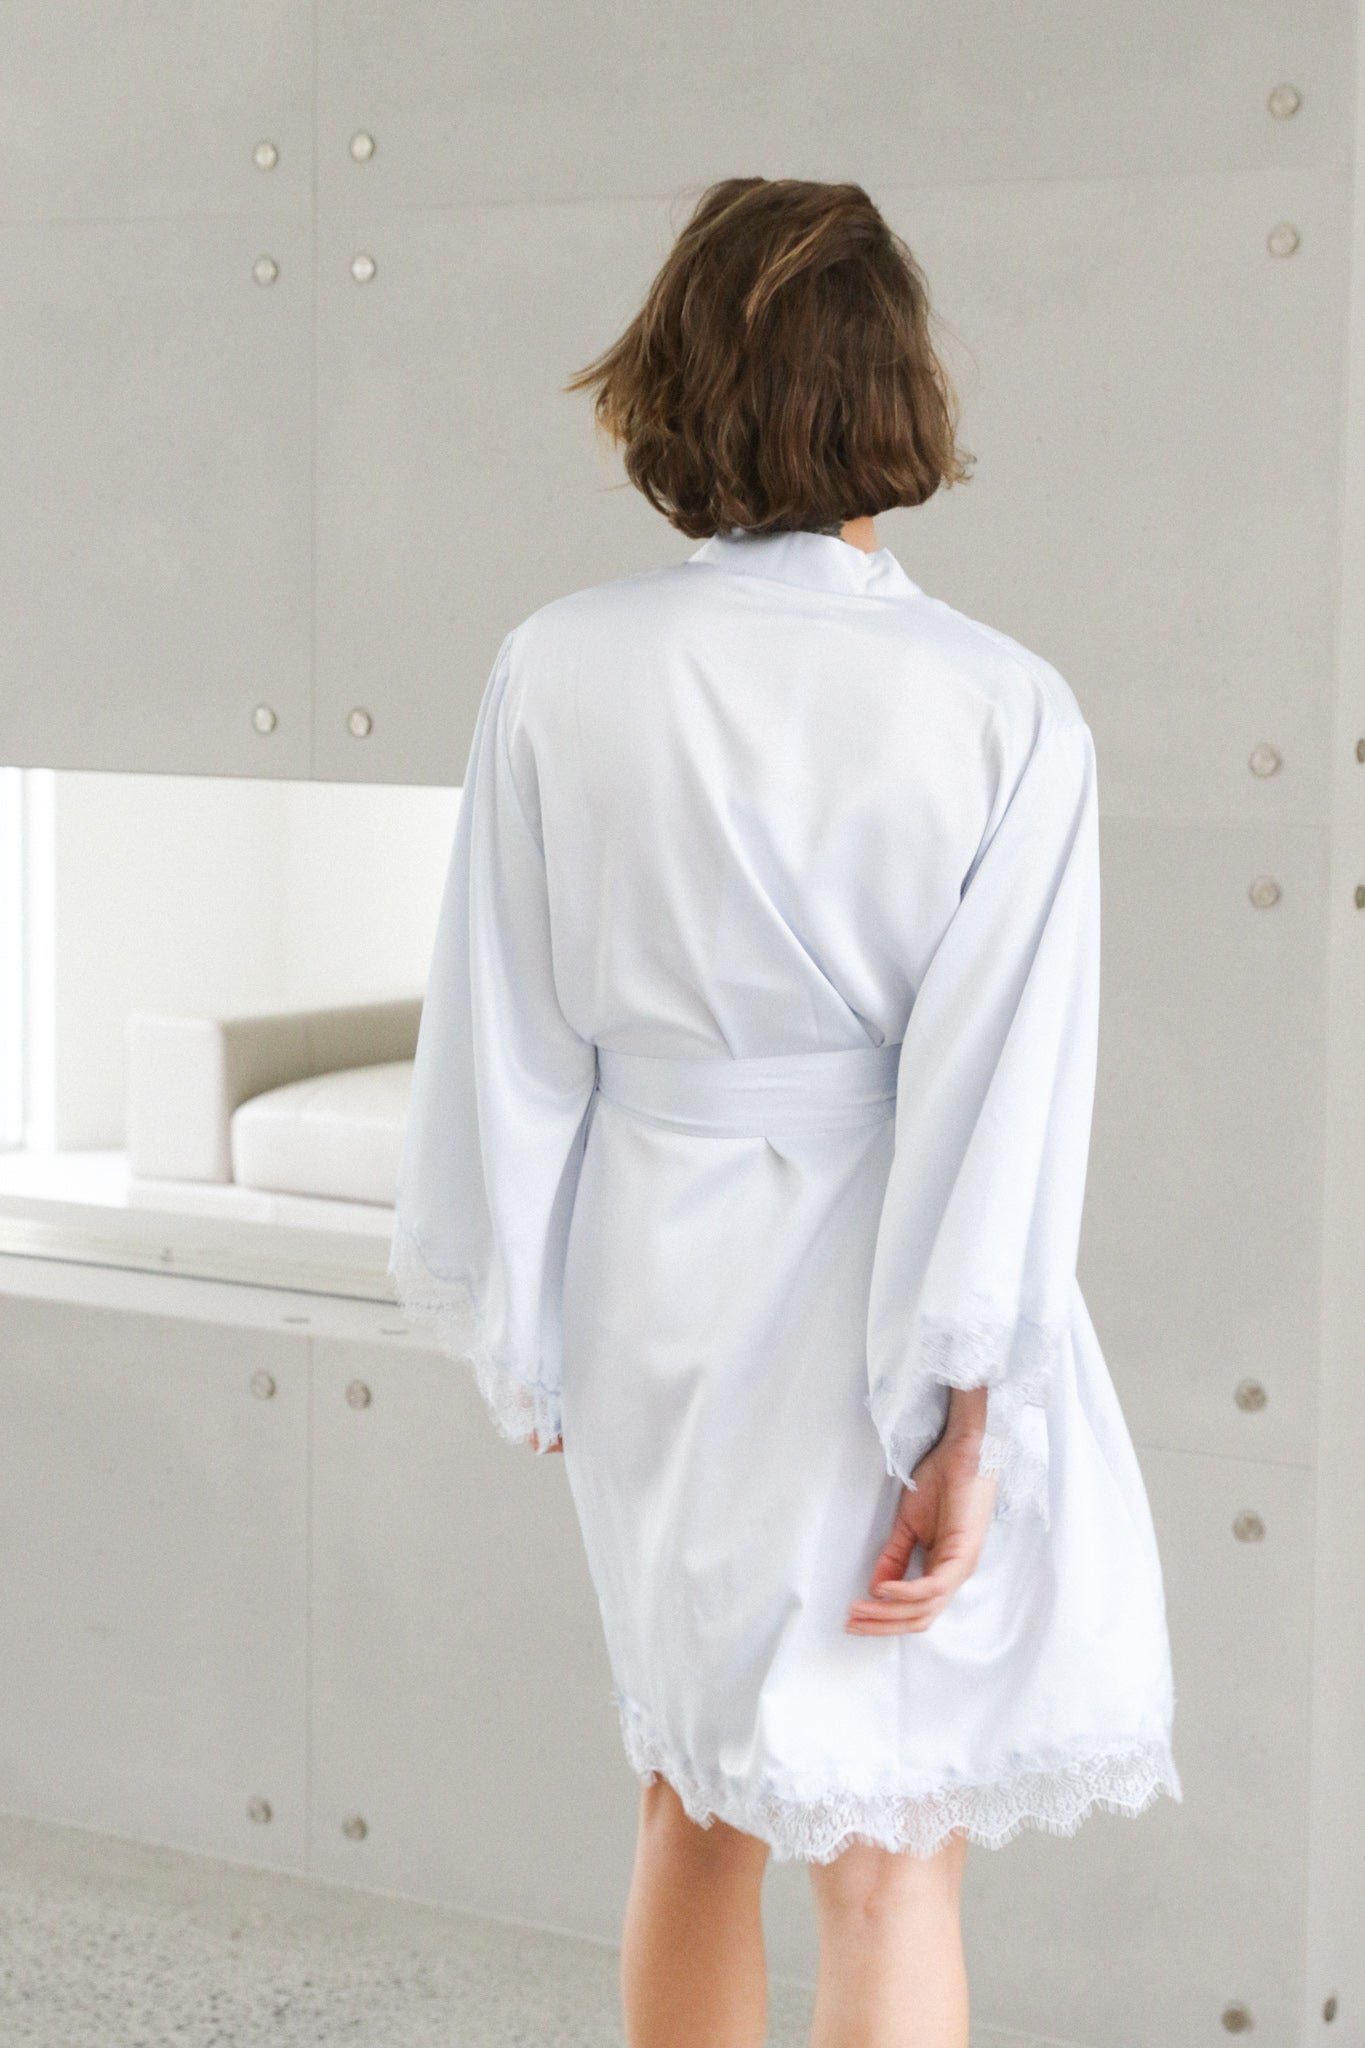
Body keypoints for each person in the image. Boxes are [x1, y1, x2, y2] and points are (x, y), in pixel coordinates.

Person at [388, 175, 1182, 2048]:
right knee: (891, 1858)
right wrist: (965, 1416)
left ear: (669, 387)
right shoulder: (1005, 707)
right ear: (898, 390)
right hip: (885, 1275)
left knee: (690, 1803)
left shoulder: (557, 664)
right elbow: (1002, 1092)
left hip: (651, 1287)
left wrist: (526, 1321)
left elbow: (506, 1029)